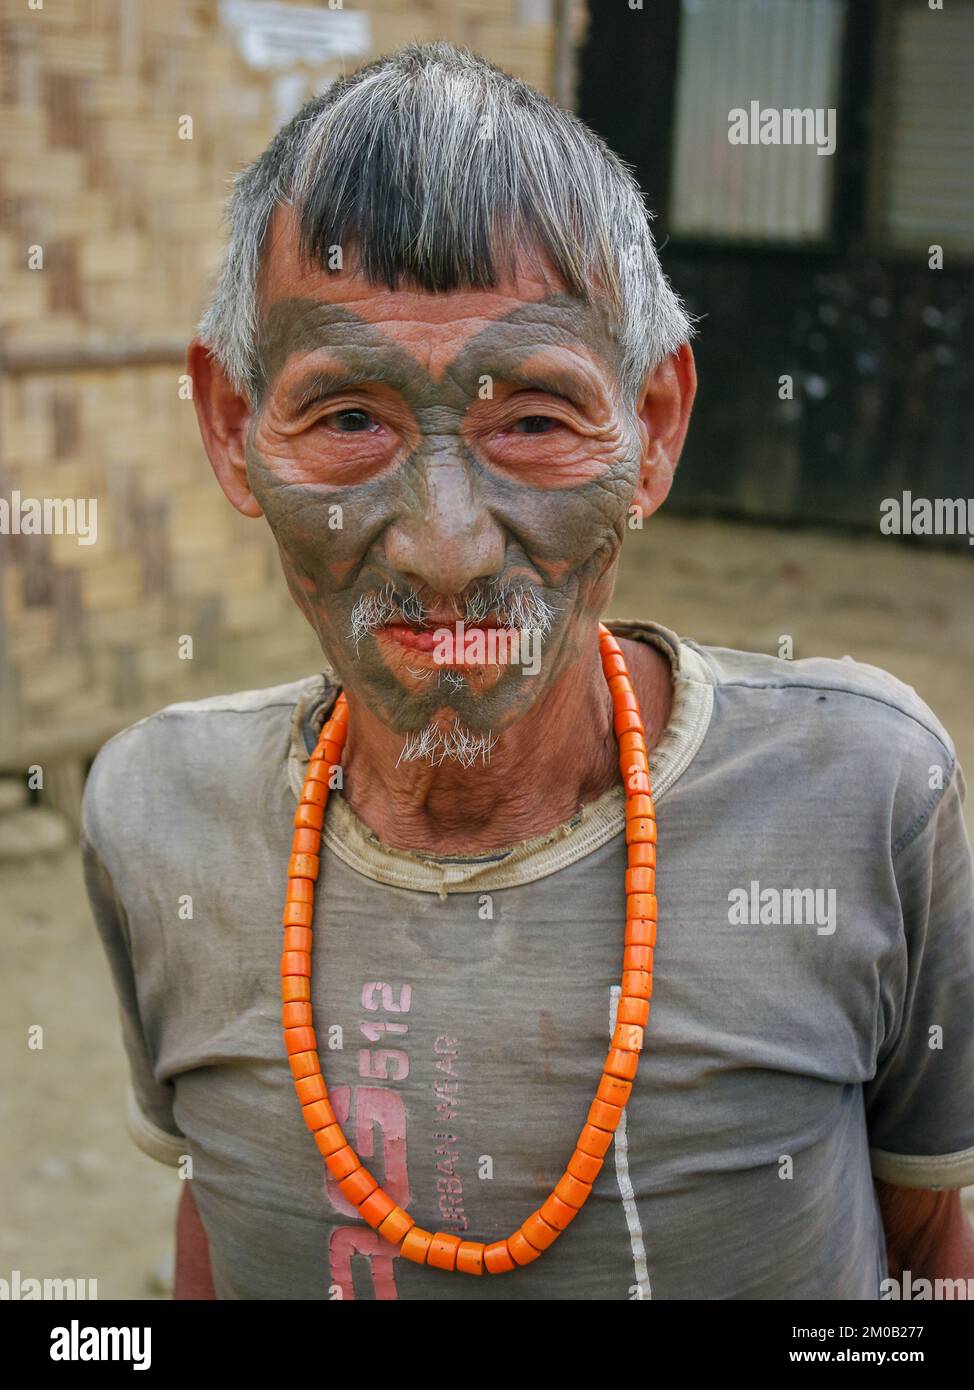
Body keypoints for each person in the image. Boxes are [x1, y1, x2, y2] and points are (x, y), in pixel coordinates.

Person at [82, 42, 974, 1300]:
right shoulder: (159, 811)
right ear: (233, 429)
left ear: (654, 429)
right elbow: (218, 1235)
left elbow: (923, 1250)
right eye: (349, 419)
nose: (445, 551)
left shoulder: (862, 792)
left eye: (534, 420)